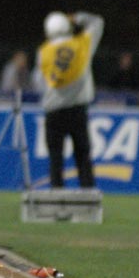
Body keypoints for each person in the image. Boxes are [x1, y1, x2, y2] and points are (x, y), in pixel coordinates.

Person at [35, 11, 104, 189]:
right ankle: (88, 195)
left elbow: (39, 82)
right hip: (78, 109)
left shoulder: (43, 52)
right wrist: (78, 17)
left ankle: (57, 197)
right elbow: (97, 22)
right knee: (82, 155)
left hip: (53, 111)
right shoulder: (82, 44)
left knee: (55, 158)